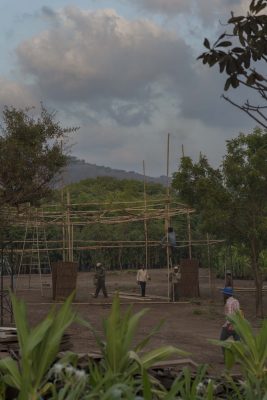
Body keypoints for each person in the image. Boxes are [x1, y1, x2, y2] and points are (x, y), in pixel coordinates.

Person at [219, 287, 240, 354]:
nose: (223, 295)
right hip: (238, 324)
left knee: (222, 340)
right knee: (238, 342)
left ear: (226, 294)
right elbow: (238, 313)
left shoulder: (229, 302)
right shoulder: (236, 301)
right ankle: (239, 357)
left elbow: (230, 314)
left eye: (224, 294)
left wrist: (230, 324)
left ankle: (226, 357)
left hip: (230, 324)